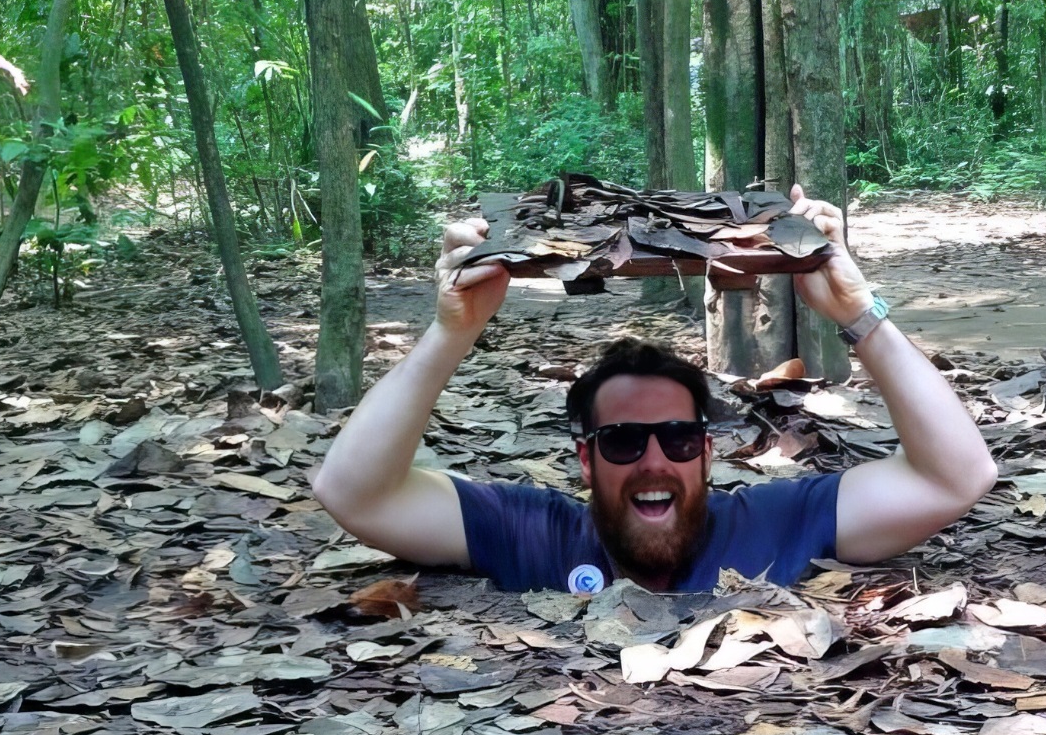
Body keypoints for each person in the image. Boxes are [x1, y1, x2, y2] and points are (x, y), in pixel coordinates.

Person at [312, 187, 999, 594]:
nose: (652, 459)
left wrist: (856, 310)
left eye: (676, 438)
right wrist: (451, 334)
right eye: (620, 441)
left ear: (706, 453)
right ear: (584, 460)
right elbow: (355, 492)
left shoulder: (771, 524)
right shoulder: (539, 537)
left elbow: (955, 477)